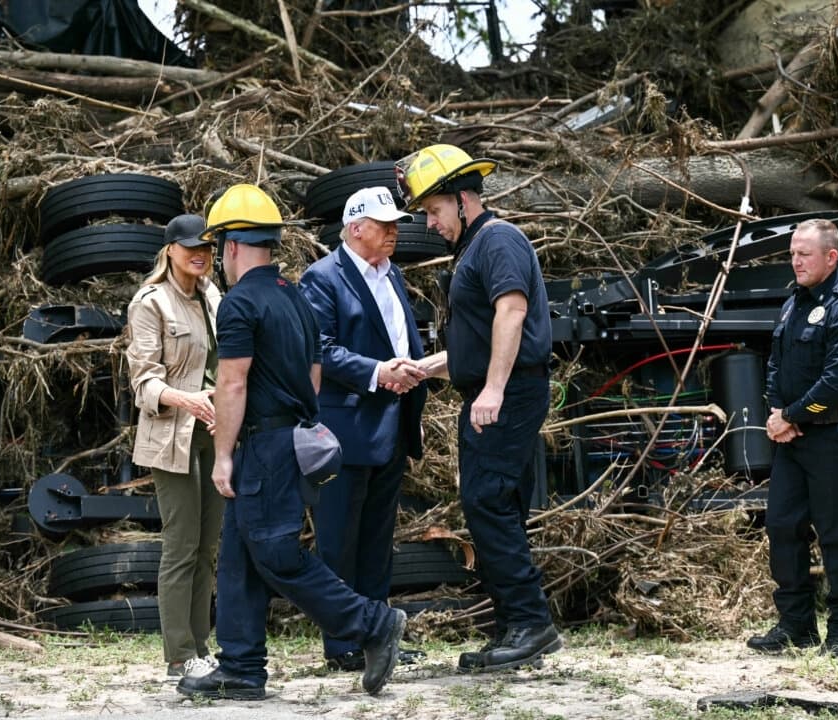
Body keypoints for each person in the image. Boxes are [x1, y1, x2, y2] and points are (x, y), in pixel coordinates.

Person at [176, 184, 405, 700]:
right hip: (289, 439)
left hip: (262, 448)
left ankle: (373, 624)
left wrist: (226, 455)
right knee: (238, 557)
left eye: (217, 248)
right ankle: (240, 668)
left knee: (277, 555)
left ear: (231, 246)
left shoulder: (238, 304)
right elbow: (316, 374)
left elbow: (232, 383)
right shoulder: (294, 296)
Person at [395, 144, 561, 672]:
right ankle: (517, 625)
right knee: (494, 506)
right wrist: (426, 367)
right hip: (497, 389)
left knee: (488, 501)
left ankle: (531, 625)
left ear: (463, 200)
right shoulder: (473, 248)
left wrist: (491, 390)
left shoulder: (498, 240)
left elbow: (511, 313)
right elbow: (478, 343)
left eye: (434, 210)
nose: (430, 222)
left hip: (508, 395)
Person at [298, 186, 428, 672]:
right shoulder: (322, 278)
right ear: (355, 228)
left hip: (390, 426)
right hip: (346, 430)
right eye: (384, 224)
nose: (395, 230)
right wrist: (379, 372)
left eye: (396, 222)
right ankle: (342, 644)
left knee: (376, 541)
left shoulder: (391, 274)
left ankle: (378, 636)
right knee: (339, 541)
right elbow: (322, 349)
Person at [747, 218, 838, 658]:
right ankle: (796, 625)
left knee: (835, 532)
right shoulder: (794, 303)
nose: (796, 261)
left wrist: (793, 415)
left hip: (833, 437)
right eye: (792, 253)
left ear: (831, 257)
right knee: (782, 527)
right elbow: (776, 364)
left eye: (804, 254)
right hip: (792, 440)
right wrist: (776, 413)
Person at [125, 213, 223, 680]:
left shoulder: (212, 296)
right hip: (171, 437)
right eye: (190, 247)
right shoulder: (150, 303)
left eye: (206, 245)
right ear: (170, 251)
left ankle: (202, 647)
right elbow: (143, 384)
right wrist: (187, 399)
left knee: (207, 547)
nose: (199, 253)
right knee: (181, 545)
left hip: (215, 432)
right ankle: (179, 655)